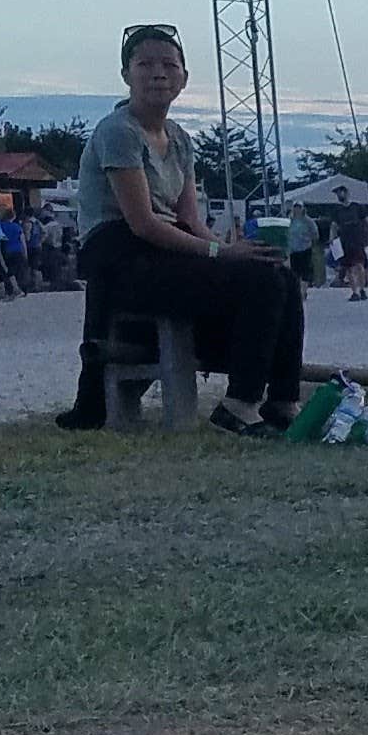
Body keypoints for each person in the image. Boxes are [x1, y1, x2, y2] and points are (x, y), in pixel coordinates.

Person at [65, 22, 311, 436]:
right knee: (260, 282)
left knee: (278, 274)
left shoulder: (179, 139)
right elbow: (142, 223)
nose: (158, 73)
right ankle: (239, 404)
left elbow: (192, 221)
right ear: (127, 76)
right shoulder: (118, 132)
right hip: (122, 258)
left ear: (183, 78)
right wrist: (220, 254)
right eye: (145, 64)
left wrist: (239, 249)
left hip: (166, 250)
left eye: (168, 64)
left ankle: (283, 399)